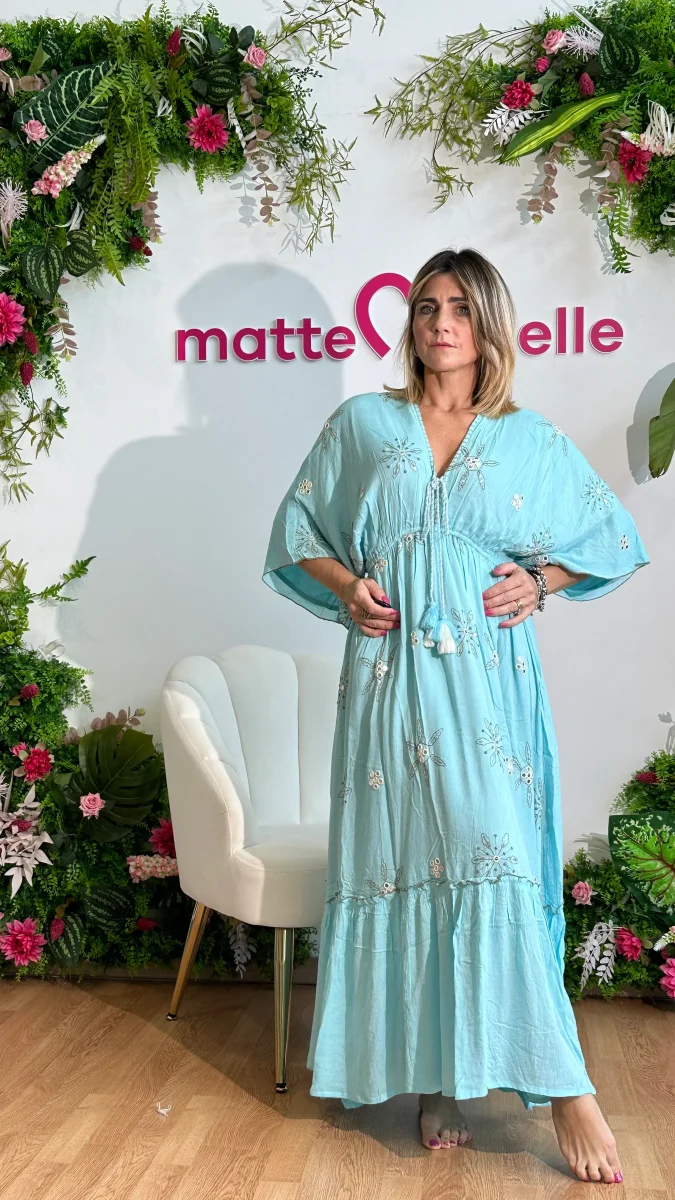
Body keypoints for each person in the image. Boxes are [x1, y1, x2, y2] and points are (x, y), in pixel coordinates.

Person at [262, 247, 648, 1185]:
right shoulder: (363, 423)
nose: (441, 323)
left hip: (485, 688)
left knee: (492, 856)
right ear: (411, 323)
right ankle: (440, 1079)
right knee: (408, 858)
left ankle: (566, 1086)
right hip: (388, 682)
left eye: (461, 308)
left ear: (488, 326)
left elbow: (609, 537)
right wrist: (348, 586)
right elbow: (298, 532)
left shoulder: (526, 438)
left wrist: (541, 581)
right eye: (428, 306)